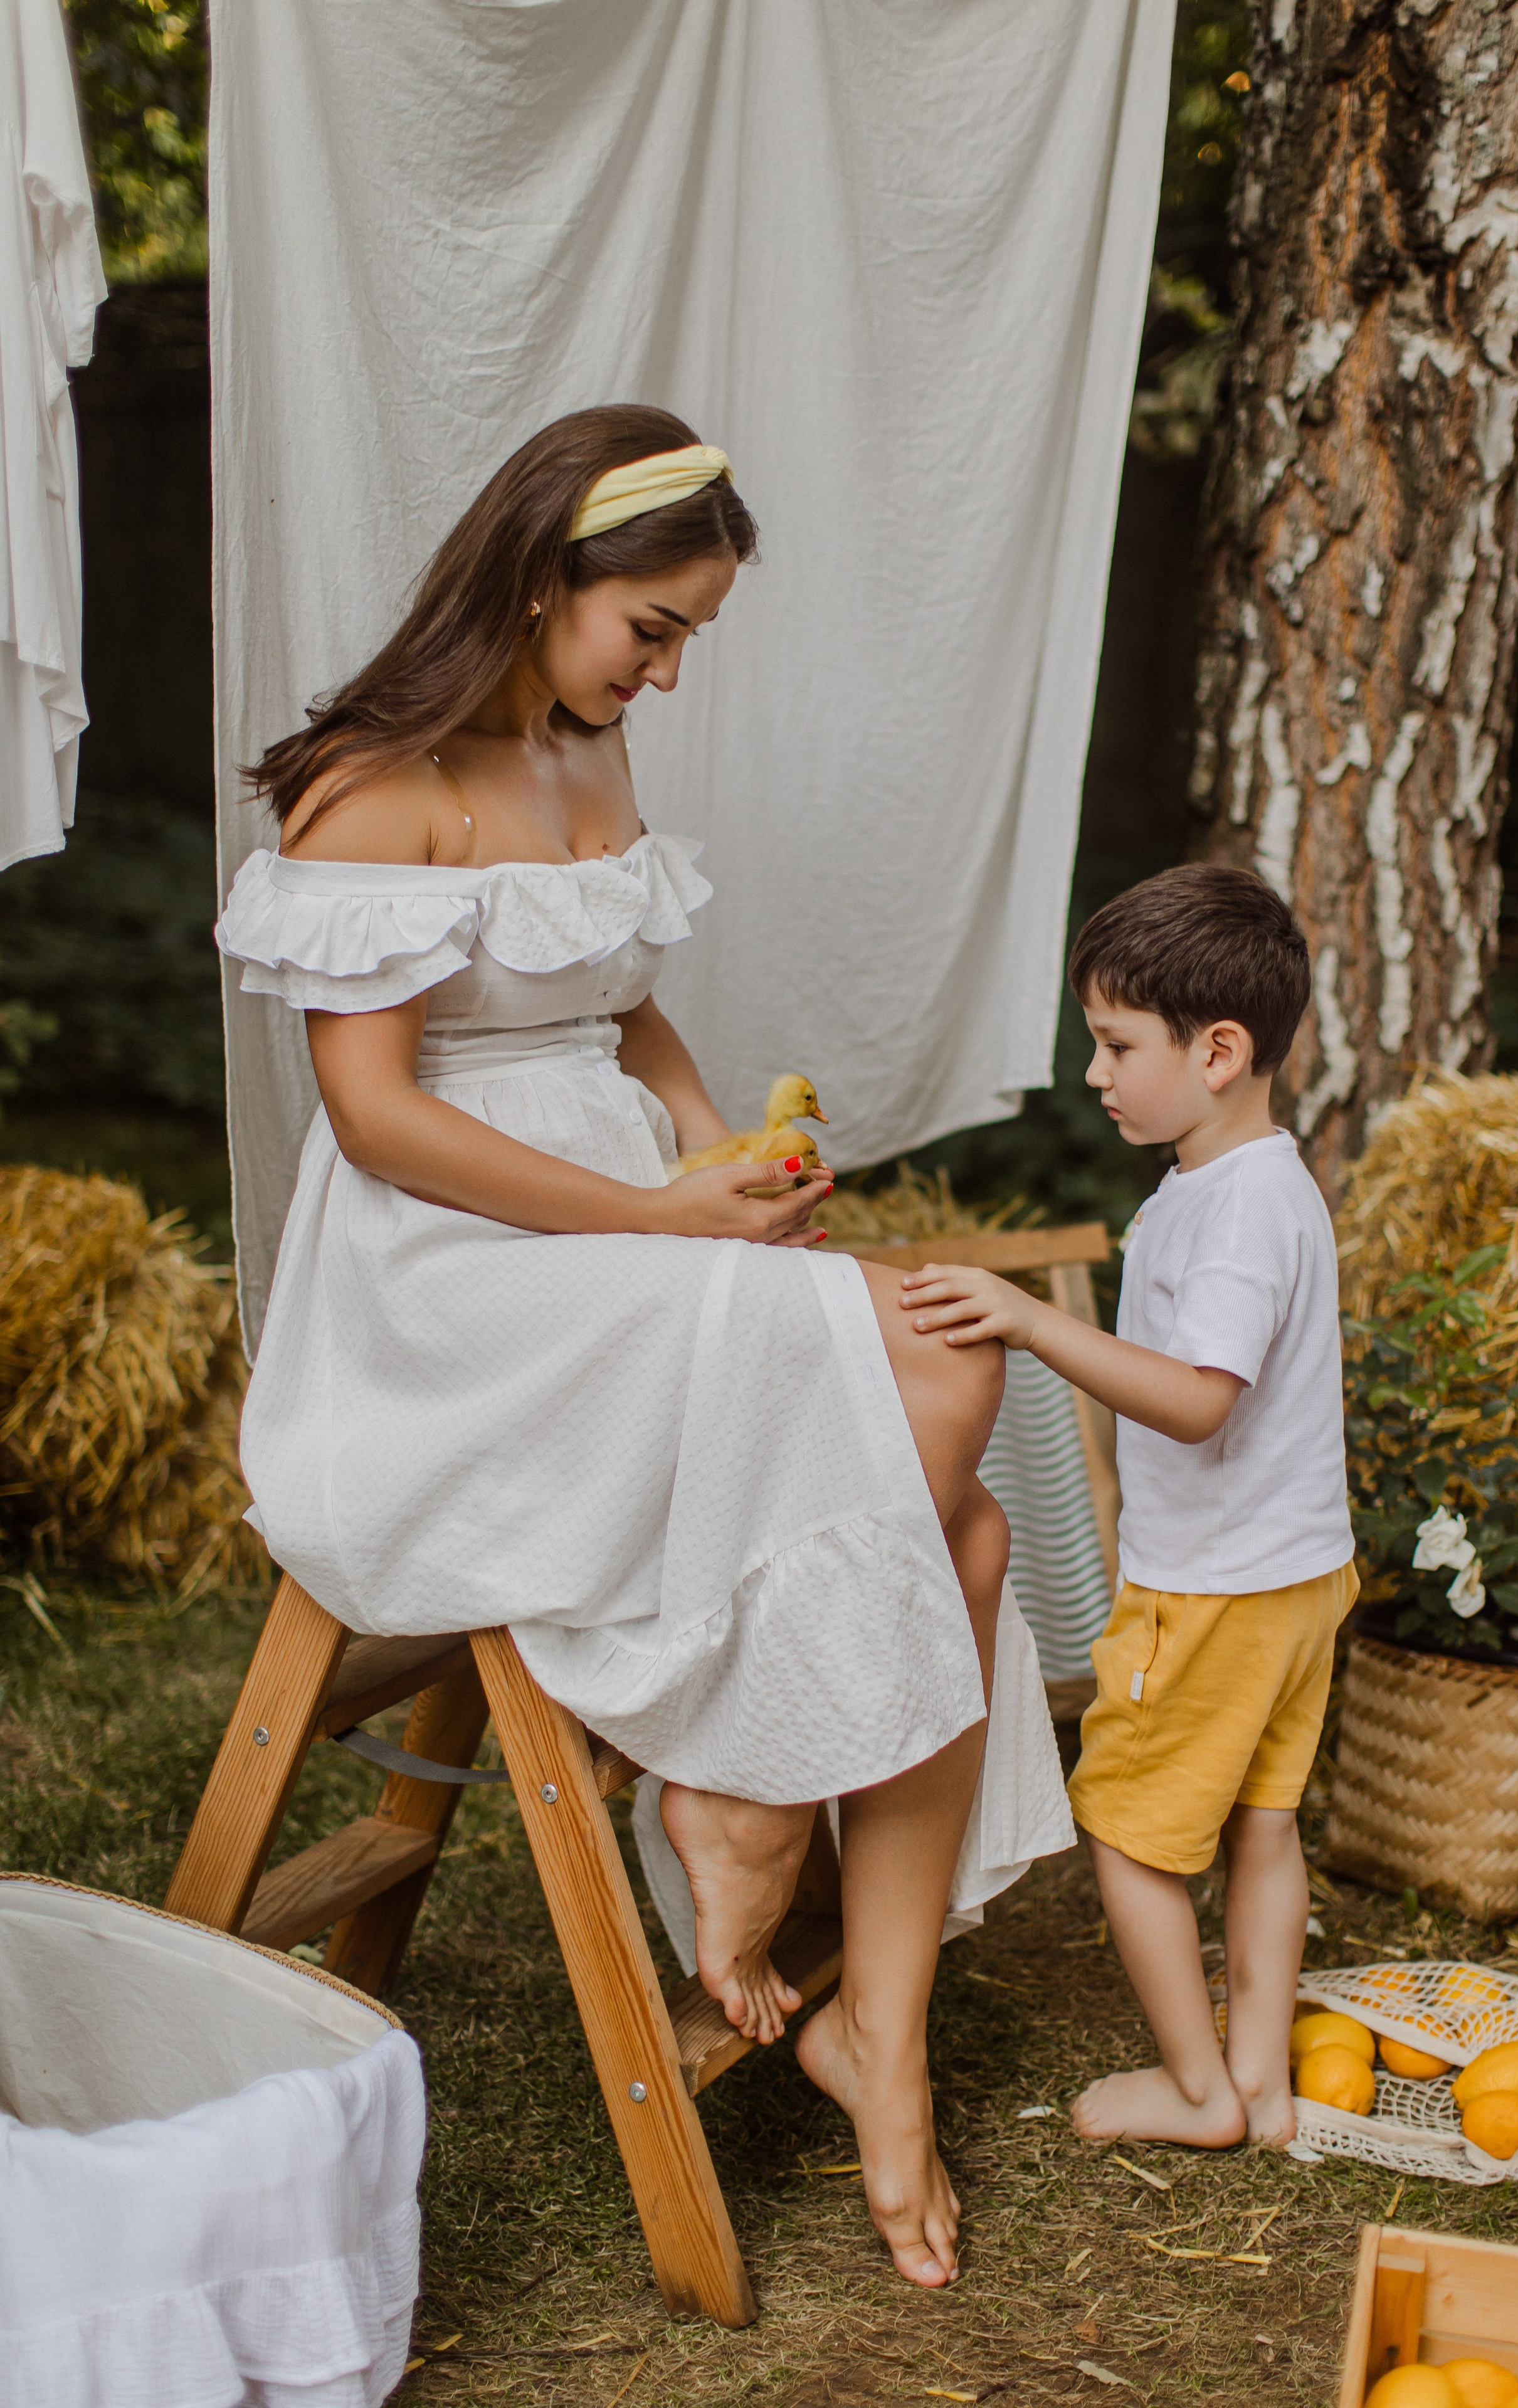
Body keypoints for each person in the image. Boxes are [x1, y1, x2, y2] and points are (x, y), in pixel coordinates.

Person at [216, 404, 1073, 2286]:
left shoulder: (585, 757)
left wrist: (721, 1156)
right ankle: (746, 1791)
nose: (669, 669)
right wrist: (662, 1220)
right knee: (951, 1373)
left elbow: (626, 1010)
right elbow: (378, 1120)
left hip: (624, 1232)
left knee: (973, 1520)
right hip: (455, 1287)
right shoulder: (378, 787)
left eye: (691, 635)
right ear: (545, 578)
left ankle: (880, 2034)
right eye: (655, 626)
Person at [897, 863, 1355, 2150]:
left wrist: (1031, 1321)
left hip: (1208, 1589)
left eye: (1113, 1045)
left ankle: (1198, 2093)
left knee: (1131, 1837)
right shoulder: (1249, 1183)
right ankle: (1257, 2079)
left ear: (1217, 1052)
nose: (1093, 1075)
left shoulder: (1232, 1212)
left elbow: (1199, 1399)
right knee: (1264, 1827)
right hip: (1296, 1577)